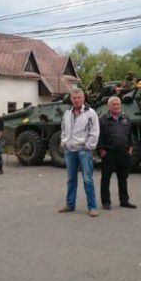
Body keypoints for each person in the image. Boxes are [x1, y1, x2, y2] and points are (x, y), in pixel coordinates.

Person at [58, 88, 100, 217]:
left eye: (79, 98)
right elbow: (63, 128)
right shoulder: (67, 113)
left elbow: (94, 131)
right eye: (74, 98)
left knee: (87, 179)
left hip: (84, 151)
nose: (76, 100)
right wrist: (64, 142)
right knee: (71, 179)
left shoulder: (90, 113)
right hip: (70, 150)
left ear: (83, 99)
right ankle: (70, 205)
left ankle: (92, 207)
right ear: (71, 99)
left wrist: (88, 146)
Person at [98, 97, 137, 210]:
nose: (116, 106)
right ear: (109, 106)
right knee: (106, 178)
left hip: (124, 153)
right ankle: (106, 202)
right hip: (108, 154)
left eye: (118, 104)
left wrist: (130, 147)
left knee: (123, 178)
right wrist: (102, 150)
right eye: (114, 104)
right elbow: (99, 136)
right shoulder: (103, 119)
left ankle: (124, 201)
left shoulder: (126, 118)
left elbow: (130, 134)